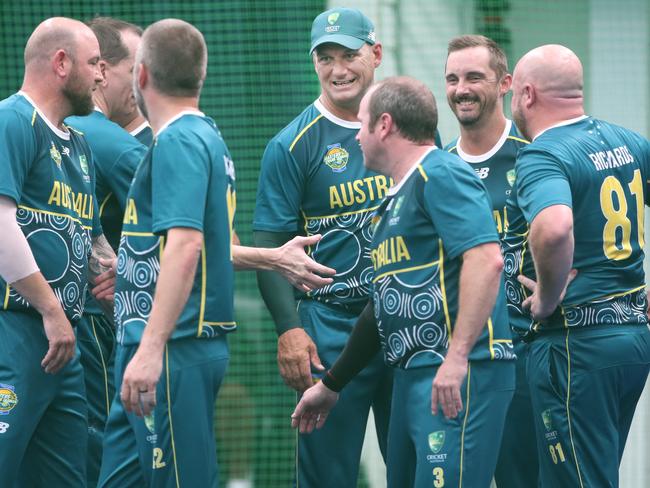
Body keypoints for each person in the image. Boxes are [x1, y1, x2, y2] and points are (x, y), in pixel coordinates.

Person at [291, 76, 515, 488]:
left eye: (361, 123)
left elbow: (486, 259)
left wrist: (458, 357)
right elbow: (381, 306)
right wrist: (332, 384)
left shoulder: (441, 173)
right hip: (412, 374)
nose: (356, 135)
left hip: (458, 374)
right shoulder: (392, 202)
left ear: (384, 125)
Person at [253, 7, 393, 486]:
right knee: (326, 477)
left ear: (375, 54)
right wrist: (289, 330)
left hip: (405, 322)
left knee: (420, 467)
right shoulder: (292, 145)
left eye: (350, 54)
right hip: (329, 329)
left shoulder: (411, 128)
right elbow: (269, 244)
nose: (338, 69)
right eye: (326, 57)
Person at [510, 44, 650, 487]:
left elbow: (553, 228)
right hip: (631, 340)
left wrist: (547, 299)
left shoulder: (542, 154)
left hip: (577, 345)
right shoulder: (628, 141)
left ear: (527, 94)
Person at [0, 17, 114, 486]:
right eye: (94, 63)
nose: (102, 76)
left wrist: (117, 272)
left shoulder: (80, 147)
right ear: (61, 63)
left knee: (67, 475)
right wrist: (49, 309)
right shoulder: (12, 120)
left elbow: (90, 239)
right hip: (18, 329)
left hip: (62, 341)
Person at [443, 35, 536, 487]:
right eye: (453, 78)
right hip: (461, 358)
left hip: (530, 350)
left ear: (505, 84)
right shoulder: (436, 168)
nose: (461, 88)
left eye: (474, 77)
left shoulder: (537, 152)